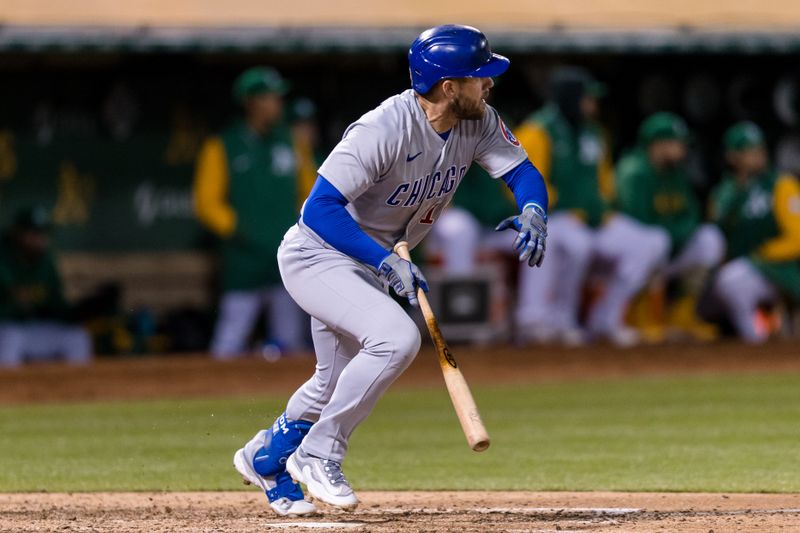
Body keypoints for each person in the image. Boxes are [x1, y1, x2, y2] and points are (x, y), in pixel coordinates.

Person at [232, 24, 549, 515]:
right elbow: (319, 210)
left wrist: (534, 209)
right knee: (396, 339)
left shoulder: (479, 120)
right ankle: (320, 453)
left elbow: (521, 172)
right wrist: (382, 260)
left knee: (331, 381)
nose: (489, 84)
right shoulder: (382, 128)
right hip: (319, 255)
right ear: (449, 87)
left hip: (372, 261)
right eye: (480, 76)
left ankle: (266, 458)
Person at [511, 67, 668, 346]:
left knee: (652, 242)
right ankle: (547, 320)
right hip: (554, 219)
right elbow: (524, 183)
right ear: (570, 98)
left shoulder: (595, 133)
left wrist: (599, 209)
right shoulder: (538, 131)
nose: (593, 105)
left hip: (593, 220)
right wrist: (569, 206)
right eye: (587, 98)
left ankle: (606, 319)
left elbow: (605, 185)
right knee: (576, 242)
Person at [193, 67, 307, 360]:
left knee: (290, 341)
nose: (278, 103)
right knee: (230, 340)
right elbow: (207, 204)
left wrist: (298, 229)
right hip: (244, 259)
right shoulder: (222, 145)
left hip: (286, 258)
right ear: (252, 102)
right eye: (271, 97)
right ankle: (209, 402)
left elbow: (311, 193)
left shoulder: (292, 142)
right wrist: (243, 230)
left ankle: (291, 406)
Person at [616, 112, 725, 340]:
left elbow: (693, 215)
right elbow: (637, 221)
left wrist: (675, 233)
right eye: (677, 143)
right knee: (654, 240)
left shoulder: (676, 172)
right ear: (658, 145)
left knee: (709, 239)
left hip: (668, 249)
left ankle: (681, 315)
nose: (682, 149)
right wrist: (674, 231)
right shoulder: (634, 171)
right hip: (629, 261)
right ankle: (639, 316)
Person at [711, 122, 800, 342]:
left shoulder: (781, 184)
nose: (757, 156)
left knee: (731, 280)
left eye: (759, 150)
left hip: (781, 269)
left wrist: (763, 254)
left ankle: (756, 339)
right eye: (748, 151)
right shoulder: (723, 193)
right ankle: (755, 334)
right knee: (719, 286)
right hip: (738, 269)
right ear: (732, 157)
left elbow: (797, 239)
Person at [0, 206, 91, 368]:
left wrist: (80, 310)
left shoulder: (46, 261)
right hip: (7, 327)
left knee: (77, 337)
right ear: (18, 233)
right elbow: (12, 298)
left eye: (43, 233)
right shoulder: (4, 256)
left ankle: (79, 392)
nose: (39, 239)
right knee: (10, 339)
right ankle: (8, 391)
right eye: (34, 233)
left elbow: (56, 302)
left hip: (34, 328)